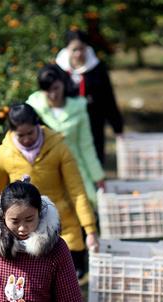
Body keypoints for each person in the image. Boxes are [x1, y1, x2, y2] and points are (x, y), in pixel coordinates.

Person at [0, 103, 99, 279]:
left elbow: (77, 190)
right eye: (20, 135)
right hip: (25, 230)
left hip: (62, 226)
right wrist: (10, 224)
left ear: (38, 125)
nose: (26, 139)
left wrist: (90, 229)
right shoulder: (4, 154)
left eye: (30, 133)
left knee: (69, 282)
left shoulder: (59, 147)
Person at [27, 65, 106, 205]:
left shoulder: (78, 107)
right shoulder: (33, 108)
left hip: (75, 167)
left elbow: (86, 145)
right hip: (47, 171)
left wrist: (97, 176)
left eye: (56, 88)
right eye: (47, 90)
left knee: (84, 206)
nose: (53, 95)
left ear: (63, 83)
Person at [56, 30, 124, 165]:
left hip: (93, 121)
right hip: (67, 123)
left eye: (82, 49)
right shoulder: (58, 69)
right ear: (67, 49)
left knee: (94, 158)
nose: (78, 53)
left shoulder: (97, 68)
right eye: (74, 49)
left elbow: (108, 98)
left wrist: (117, 126)